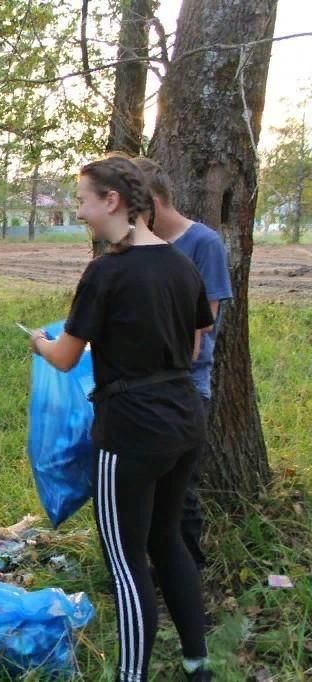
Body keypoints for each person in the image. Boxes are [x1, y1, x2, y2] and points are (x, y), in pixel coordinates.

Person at [30, 156, 214, 681]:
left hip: (131, 430)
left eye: (84, 200)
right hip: (184, 420)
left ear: (112, 201)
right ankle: (197, 664)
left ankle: (131, 676)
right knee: (167, 539)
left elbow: (66, 358)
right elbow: (197, 339)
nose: (80, 211)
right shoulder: (181, 263)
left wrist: (41, 343)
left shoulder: (106, 271)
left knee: (126, 557)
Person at [133, 157, 233, 569]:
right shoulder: (139, 245)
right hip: (141, 386)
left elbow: (199, 331)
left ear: (152, 202)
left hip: (185, 387)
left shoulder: (203, 244)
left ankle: (188, 575)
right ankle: (148, 575)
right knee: (144, 491)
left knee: (181, 493)